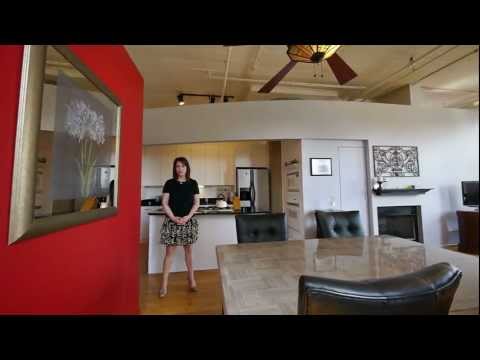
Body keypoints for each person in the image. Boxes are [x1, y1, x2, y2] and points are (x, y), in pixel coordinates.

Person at [159, 157, 200, 297]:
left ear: (187, 168)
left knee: (188, 253)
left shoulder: (193, 183)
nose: (180, 169)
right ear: (174, 168)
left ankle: (192, 280)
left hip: (188, 221)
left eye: (183, 166)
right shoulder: (169, 183)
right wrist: (173, 218)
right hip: (172, 222)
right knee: (169, 254)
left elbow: (196, 203)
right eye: (177, 166)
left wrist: (187, 217)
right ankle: (164, 285)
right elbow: (164, 203)